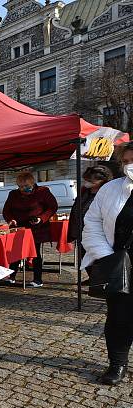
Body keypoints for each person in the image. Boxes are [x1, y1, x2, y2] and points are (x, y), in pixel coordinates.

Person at [82, 142, 133, 385]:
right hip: (119, 262)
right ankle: (118, 363)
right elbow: (92, 223)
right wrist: (104, 255)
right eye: (125, 162)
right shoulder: (110, 189)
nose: (129, 166)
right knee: (119, 316)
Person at [2, 172, 58, 288]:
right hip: (19, 227)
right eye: (20, 187)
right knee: (15, 252)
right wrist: (11, 219)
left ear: (32, 183)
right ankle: (11, 277)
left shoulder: (42, 192)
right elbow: (6, 210)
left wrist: (41, 218)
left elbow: (53, 207)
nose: (23, 189)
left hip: (37, 227)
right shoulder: (13, 194)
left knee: (35, 253)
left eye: (26, 186)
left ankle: (38, 279)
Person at [68, 165, 114, 268]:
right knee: (84, 259)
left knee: (98, 261)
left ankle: (97, 280)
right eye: (86, 179)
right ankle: (92, 278)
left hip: (98, 234)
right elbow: (75, 209)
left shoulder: (107, 193)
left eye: (91, 181)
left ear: (102, 181)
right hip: (81, 233)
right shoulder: (84, 191)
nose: (87, 182)